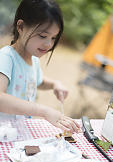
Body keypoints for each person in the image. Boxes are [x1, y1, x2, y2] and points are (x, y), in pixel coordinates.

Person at [0, 0, 80, 133]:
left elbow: (36, 81)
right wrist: (43, 111)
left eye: (53, 38)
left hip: (19, 132)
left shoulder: (33, 58)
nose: (48, 44)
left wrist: (55, 84)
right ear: (21, 27)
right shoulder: (6, 58)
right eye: (43, 36)